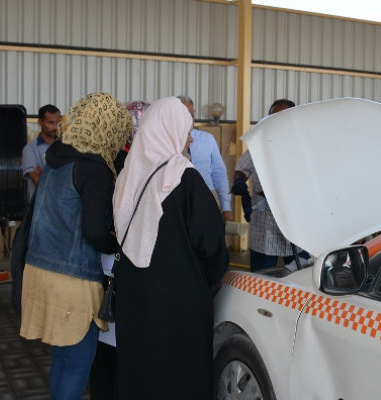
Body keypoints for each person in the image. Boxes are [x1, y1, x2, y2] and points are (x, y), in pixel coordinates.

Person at [113, 96, 229, 399]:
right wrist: (208, 278)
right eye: (186, 128)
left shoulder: (127, 174)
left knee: (139, 367)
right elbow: (212, 243)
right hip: (178, 300)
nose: (190, 137)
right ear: (168, 129)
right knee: (178, 372)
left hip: (133, 290)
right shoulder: (184, 177)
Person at [19, 92, 132, 400]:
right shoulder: (93, 167)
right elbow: (94, 231)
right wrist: (117, 242)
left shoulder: (57, 157)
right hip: (71, 278)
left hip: (40, 268)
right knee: (78, 363)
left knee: (62, 358)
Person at [89, 100, 150, 400]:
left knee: (108, 343)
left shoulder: (108, 160)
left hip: (110, 262)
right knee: (115, 341)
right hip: (120, 263)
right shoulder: (129, 165)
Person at [232, 99, 308, 272]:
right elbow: (242, 168)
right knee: (261, 276)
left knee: (300, 274)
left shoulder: (303, 147)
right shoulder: (260, 145)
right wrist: (239, 182)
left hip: (295, 222)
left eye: (280, 117)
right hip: (263, 220)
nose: (274, 121)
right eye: (271, 117)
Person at [177, 95, 233, 222]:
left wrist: (226, 208)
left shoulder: (207, 139)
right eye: (184, 115)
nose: (190, 119)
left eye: (192, 115)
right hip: (179, 202)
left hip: (207, 198)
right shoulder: (166, 142)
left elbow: (219, 173)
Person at [21, 104, 61, 202]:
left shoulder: (65, 147)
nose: (55, 127)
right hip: (40, 208)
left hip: (62, 209)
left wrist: (44, 174)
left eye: (58, 122)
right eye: (50, 122)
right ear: (40, 122)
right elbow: (37, 182)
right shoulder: (29, 150)